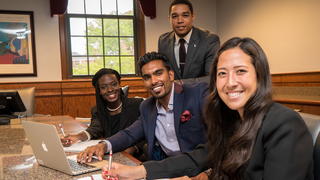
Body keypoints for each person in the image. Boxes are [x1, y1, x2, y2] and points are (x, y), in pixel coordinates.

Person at [102, 37, 314, 180]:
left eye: (240, 71)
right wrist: (136, 171)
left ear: (260, 75)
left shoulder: (284, 124)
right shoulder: (228, 119)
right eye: (222, 73)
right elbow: (198, 157)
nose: (230, 82)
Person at [76, 52, 208, 163]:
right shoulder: (146, 107)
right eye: (147, 77)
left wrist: (207, 171)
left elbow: (218, 139)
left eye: (158, 73)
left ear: (171, 75)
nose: (154, 81)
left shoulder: (197, 94)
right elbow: (129, 134)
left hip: (199, 168)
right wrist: (103, 145)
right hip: (166, 168)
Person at [61, 68, 143, 155]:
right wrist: (78, 137)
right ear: (99, 91)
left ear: (119, 85)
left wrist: (134, 148)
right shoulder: (97, 110)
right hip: (110, 152)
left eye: (114, 84)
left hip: (135, 157)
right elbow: (95, 129)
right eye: (104, 87)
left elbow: (146, 133)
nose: (110, 89)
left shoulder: (137, 105)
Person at [158, 0, 220, 83]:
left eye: (185, 15)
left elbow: (211, 77)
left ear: (193, 16)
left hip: (200, 94)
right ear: (169, 19)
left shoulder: (209, 40)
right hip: (173, 95)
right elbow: (163, 72)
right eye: (174, 16)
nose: (180, 20)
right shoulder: (163, 41)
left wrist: (180, 84)